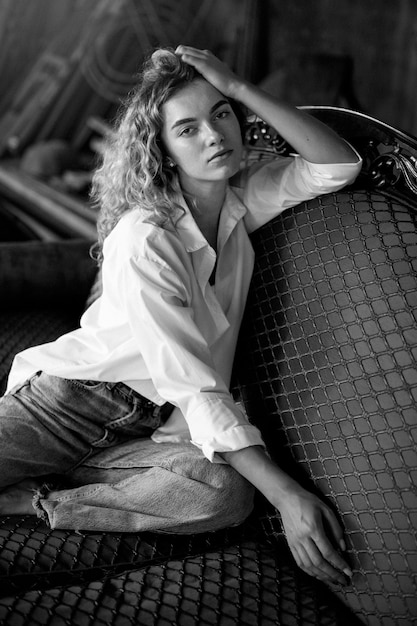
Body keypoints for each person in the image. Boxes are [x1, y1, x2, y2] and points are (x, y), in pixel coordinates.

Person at [0, 46, 361, 585]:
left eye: (220, 114)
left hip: (156, 428)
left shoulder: (244, 199)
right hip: (73, 402)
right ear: (163, 149)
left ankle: (39, 501)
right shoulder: (146, 238)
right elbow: (195, 386)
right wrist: (288, 495)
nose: (214, 135)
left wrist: (239, 87)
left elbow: (339, 165)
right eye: (187, 129)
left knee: (223, 493)